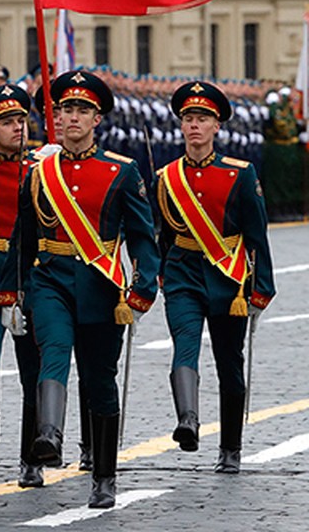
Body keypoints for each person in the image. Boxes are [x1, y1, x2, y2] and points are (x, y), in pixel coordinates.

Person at [6, 70, 160, 508]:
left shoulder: (121, 171)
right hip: (50, 279)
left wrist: (142, 287)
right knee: (52, 351)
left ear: (97, 119)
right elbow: (24, 238)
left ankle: (104, 476)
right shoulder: (39, 171)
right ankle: (49, 436)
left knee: (99, 378)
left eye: (81, 110)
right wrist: (10, 292)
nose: (72, 117)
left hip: (102, 286)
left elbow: (143, 237)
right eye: (65, 110)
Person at [154, 80, 275, 473]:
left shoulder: (239, 174)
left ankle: (230, 447)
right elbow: (162, 231)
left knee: (228, 361)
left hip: (228, 277)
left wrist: (262, 287)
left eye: (203, 119)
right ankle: (187, 420)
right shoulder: (166, 176)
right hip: (183, 273)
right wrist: (158, 268)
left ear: (217, 126)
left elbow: (257, 234)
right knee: (184, 345)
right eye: (189, 118)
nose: (194, 126)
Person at [0, 84, 50, 486]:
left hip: (26, 273)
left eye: (21, 120)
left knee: (31, 367)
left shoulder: (41, 168)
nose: (17, 128)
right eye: (6, 122)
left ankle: (31, 457)